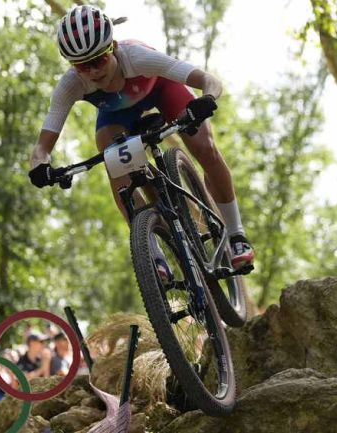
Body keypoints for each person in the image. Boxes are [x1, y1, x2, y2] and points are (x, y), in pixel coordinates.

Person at [28, 5, 254, 273]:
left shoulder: (137, 56)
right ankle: (153, 252)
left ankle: (236, 235)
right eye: (81, 66)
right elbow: (42, 146)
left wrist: (206, 99)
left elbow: (208, 80)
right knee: (116, 164)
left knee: (205, 147)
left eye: (98, 60)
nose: (92, 72)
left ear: (112, 47)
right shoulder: (70, 85)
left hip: (163, 91)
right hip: (118, 114)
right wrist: (40, 167)